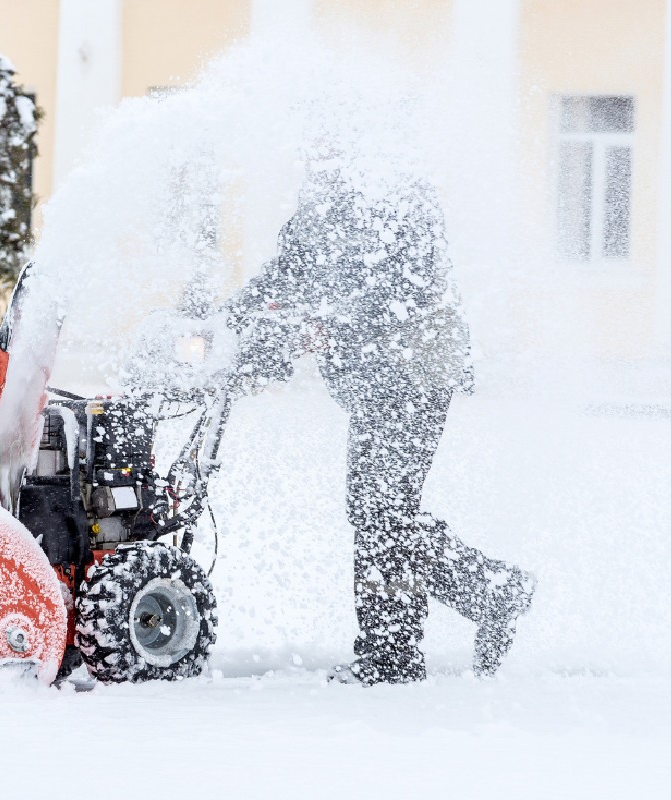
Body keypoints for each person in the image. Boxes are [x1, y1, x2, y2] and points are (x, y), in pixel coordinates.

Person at [225, 152, 535, 685]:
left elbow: (404, 289)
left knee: (380, 512)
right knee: (379, 513)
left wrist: (327, 321)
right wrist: (224, 323)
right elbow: (284, 275)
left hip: (415, 374)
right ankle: (464, 608)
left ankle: (423, 635)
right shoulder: (318, 207)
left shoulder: (400, 196)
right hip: (373, 385)